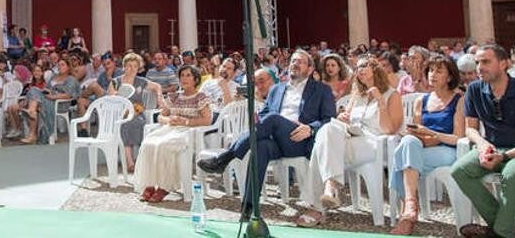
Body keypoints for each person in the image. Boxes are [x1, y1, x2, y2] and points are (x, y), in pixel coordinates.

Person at [198, 51, 336, 217]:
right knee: (260, 147)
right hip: (275, 140)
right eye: (293, 61)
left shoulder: (321, 90)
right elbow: (264, 114)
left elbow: (329, 119)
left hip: (299, 139)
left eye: (300, 62)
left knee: (272, 119)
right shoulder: (277, 89)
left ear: (310, 68)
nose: (295, 64)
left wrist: (310, 128)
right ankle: (249, 206)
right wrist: (259, 121)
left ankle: (225, 158)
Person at [451, 44, 515, 238]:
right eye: (477, 62)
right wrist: (482, 144)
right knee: (459, 171)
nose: (479, 67)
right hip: (494, 148)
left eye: (486, 62)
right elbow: (470, 128)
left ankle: (500, 233)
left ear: (504, 64)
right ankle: (514, 230)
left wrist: (503, 156)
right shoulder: (474, 89)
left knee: (511, 174)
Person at [297, 57, 402, 227]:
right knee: (327, 128)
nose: (359, 69)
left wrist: (380, 101)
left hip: (374, 142)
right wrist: (342, 118)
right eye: (358, 66)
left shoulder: (392, 94)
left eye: (364, 65)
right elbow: (345, 121)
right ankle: (330, 188)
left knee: (319, 148)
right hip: (350, 138)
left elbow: (390, 129)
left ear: (376, 68)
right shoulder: (356, 95)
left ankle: (317, 207)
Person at [390, 56, 465, 235]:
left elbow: (459, 137)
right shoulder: (420, 101)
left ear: (449, 76)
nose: (433, 74)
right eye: (430, 70)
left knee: (401, 157)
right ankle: (410, 208)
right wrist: (412, 133)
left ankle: (407, 212)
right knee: (407, 143)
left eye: (439, 71)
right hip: (421, 148)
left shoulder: (459, 100)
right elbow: (417, 134)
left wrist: (434, 135)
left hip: (448, 150)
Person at [134, 65, 212, 203]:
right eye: (182, 75)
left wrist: (186, 121)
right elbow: (160, 117)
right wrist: (169, 119)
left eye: (188, 75)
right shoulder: (174, 96)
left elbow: (207, 120)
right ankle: (150, 184)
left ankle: (165, 186)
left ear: (196, 79)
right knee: (149, 143)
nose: (184, 78)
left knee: (164, 145)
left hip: (188, 131)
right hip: (170, 128)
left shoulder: (200, 97)